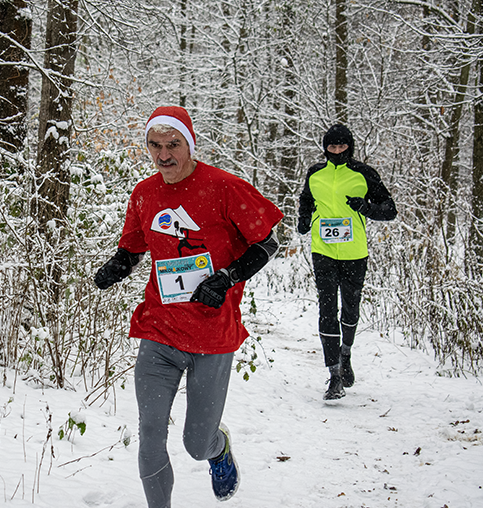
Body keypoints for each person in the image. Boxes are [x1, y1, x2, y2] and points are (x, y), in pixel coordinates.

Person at [94, 106, 283, 507]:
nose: (164, 155)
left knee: (197, 443)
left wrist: (227, 277)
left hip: (212, 335)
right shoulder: (144, 194)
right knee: (150, 435)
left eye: (173, 145)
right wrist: (117, 266)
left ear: (190, 144)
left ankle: (218, 448)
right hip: (159, 330)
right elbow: (133, 248)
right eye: (155, 145)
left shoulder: (224, 187)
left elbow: (268, 242)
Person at [297, 124, 397, 400]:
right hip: (323, 250)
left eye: (342, 146)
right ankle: (334, 374)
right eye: (332, 146)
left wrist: (366, 207)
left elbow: (390, 210)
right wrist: (303, 219)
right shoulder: (315, 173)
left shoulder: (364, 173)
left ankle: (346, 353)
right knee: (327, 309)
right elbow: (306, 200)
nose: (337, 150)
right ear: (325, 147)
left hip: (354, 252)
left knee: (350, 309)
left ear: (350, 147)